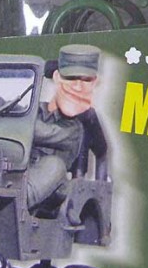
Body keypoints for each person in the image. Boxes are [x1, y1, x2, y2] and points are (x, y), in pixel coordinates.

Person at [28, 43, 107, 224]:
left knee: (54, 165)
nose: (78, 87)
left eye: (86, 80)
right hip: (17, 175)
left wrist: (96, 185)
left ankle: (14, 204)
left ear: (94, 82)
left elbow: (102, 151)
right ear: (57, 77)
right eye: (70, 78)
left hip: (54, 191)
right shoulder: (33, 111)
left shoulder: (74, 128)